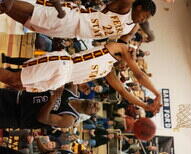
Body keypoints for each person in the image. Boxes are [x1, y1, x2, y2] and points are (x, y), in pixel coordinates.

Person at [0, 42, 161, 113]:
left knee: (17, 86)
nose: (127, 67)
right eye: (129, 63)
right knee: (14, 79)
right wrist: (157, 94)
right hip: (62, 65)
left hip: (61, 80)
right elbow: (139, 75)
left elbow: (124, 92)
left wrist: (145, 106)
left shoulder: (108, 71)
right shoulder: (116, 47)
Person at [0, 0, 156, 40]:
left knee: (30, 23)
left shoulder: (131, 27)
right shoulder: (125, 7)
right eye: (146, 15)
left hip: (73, 32)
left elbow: (139, 29)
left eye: (147, 19)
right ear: (139, 7)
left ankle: (4, 7)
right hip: (75, 18)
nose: (144, 20)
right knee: (37, 13)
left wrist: (150, 34)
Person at [0, 84, 100, 129]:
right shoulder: (72, 90)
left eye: (95, 108)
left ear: (88, 114)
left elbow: (42, 118)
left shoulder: (69, 120)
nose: (94, 105)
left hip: (16, 116)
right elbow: (69, 71)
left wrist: (52, 101)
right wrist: (81, 80)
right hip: (17, 97)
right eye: (95, 103)